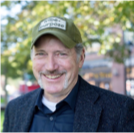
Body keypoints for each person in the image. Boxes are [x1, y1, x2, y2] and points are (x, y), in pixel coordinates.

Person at [3, 16, 134, 133]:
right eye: (41, 54)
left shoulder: (119, 111)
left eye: (61, 54)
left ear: (81, 58)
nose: (50, 66)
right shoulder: (14, 109)